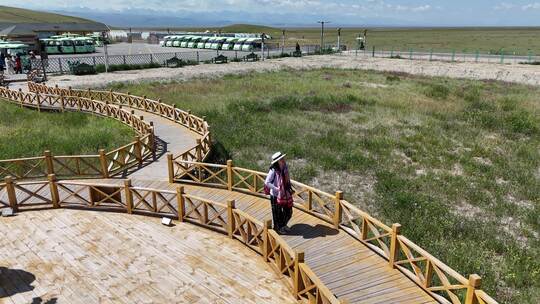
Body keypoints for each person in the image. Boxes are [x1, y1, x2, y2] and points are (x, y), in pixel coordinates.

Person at [264, 152, 294, 234]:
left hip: (285, 193)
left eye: (282, 158)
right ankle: (278, 229)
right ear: (277, 161)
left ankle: (283, 225)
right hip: (275, 194)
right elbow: (267, 182)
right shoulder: (273, 170)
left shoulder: (285, 167)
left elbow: (287, 178)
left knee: (289, 211)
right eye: (281, 159)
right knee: (277, 213)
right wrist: (277, 189)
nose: (283, 160)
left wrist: (289, 187)